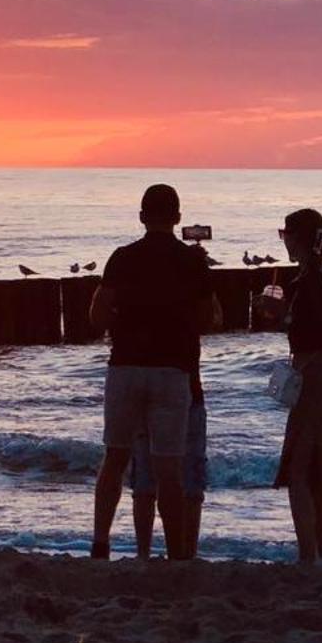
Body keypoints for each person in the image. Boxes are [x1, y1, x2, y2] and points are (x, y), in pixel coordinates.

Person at [88, 184, 218, 561]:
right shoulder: (192, 261)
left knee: (114, 458)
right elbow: (206, 318)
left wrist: (123, 323)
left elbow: (97, 316)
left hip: (126, 367)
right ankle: (177, 553)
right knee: (168, 468)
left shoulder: (122, 258)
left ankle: (101, 543)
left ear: (142, 217)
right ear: (177, 218)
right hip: (172, 371)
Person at [258, 207, 322, 566]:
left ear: (300, 238)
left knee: (298, 471)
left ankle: (308, 556)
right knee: (316, 473)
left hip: (313, 374)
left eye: (286, 236)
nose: (285, 243)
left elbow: (319, 329)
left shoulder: (308, 279)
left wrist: (280, 315)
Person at [129, 367, 207, 560]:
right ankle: (184, 554)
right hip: (183, 383)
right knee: (189, 475)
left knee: (145, 476)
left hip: (143, 385)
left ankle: (144, 554)